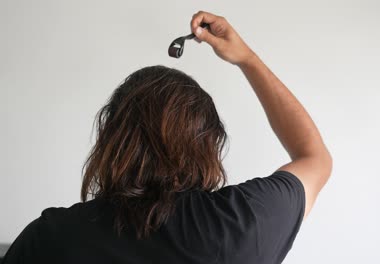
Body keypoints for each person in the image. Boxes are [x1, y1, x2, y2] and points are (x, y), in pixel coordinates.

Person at [1, 10, 332, 264]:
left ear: (111, 137)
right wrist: (247, 58)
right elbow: (314, 157)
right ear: (208, 143)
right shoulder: (240, 224)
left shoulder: (51, 237)